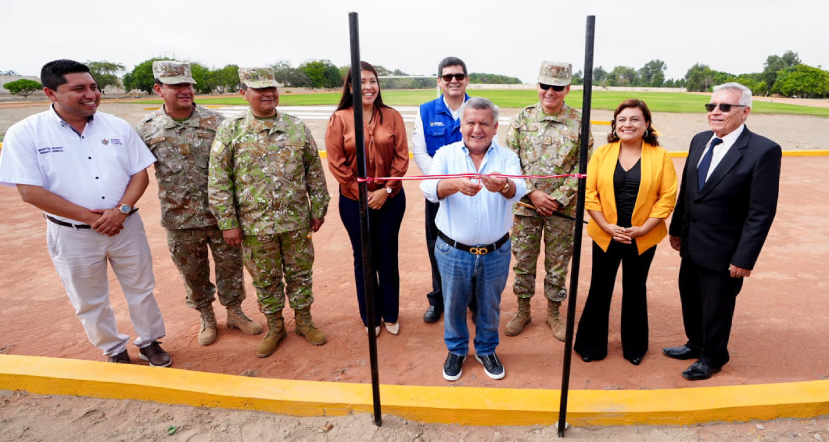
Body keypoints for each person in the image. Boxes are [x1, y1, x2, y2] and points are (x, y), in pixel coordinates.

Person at [0, 59, 171, 366]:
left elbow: (140, 174)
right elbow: (30, 192)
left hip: (126, 227)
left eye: (93, 87)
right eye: (78, 88)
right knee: (89, 299)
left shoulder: (117, 126)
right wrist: (93, 218)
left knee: (142, 288)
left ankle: (150, 341)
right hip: (72, 234)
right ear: (50, 93)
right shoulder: (26, 133)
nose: (90, 94)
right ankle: (114, 349)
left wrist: (120, 211)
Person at [136, 61, 262, 347]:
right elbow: (135, 172)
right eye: (177, 85)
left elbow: (237, 168)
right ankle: (206, 315)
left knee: (231, 267)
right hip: (179, 219)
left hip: (222, 217)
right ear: (158, 89)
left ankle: (234, 312)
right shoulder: (146, 129)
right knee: (192, 273)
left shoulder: (217, 123)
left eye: (188, 85)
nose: (186, 90)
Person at [208, 67, 330, 358]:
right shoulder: (231, 129)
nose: (268, 94)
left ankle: (303, 320)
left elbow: (314, 171)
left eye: (272, 88)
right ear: (243, 93)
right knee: (265, 278)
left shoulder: (296, 126)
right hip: (254, 225)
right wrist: (228, 223)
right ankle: (276, 325)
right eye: (260, 89)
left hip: (296, 221)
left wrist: (319, 208)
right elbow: (218, 179)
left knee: (301, 273)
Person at [663, 82, 781, 380]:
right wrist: (676, 229)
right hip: (691, 241)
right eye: (711, 106)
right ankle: (695, 343)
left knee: (717, 307)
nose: (715, 112)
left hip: (726, 248)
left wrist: (744, 258)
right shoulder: (700, 140)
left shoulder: (763, 151)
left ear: (745, 112)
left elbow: (761, 212)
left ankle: (713, 357)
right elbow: (688, 191)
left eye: (724, 107)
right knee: (690, 297)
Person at [421, 97, 527, 382]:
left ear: (495, 127)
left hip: (496, 251)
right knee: (454, 303)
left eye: (484, 123)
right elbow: (429, 188)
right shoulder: (445, 154)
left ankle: (486, 349)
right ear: (461, 125)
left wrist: (503, 185)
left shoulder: (507, 157)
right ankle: (456, 351)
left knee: (490, 304)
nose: (476, 129)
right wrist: (454, 184)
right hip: (453, 251)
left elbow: (519, 189)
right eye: (470, 122)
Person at [573, 99, 677, 365]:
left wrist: (643, 228)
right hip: (607, 233)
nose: (627, 124)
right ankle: (591, 345)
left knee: (635, 287)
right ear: (615, 124)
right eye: (622, 119)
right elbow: (590, 192)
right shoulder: (602, 153)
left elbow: (667, 197)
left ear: (646, 124)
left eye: (634, 119)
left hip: (643, 235)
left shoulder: (660, 156)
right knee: (600, 286)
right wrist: (606, 226)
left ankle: (635, 347)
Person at [504, 61, 593, 341]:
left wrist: (556, 199)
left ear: (567, 88)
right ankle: (523, 310)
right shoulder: (521, 119)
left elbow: (584, 167)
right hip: (526, 207)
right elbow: (510, 161)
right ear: (538, 86)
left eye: (557, 87)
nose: (550, 92)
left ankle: (554, 312)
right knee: (523, 262)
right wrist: (532, 193)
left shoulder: (580, 122)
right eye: (545, 86)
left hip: (562, 210)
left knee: (558, 263)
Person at [326, 61, 409, 336]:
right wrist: (363, 195)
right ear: (350, 86)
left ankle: (391, 313)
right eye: (361, 81)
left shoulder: (392, 116)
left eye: (372, 81)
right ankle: (370, 317)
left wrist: (385, 190)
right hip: (353, 202)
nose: (368, 87)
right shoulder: (339, 119)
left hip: (390, 198)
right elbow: (337, 164)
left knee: (388, 255)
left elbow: (400, 157)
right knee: (364, 258)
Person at [412, 56, 476, 324]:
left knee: (473, 244)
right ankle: (438, 299)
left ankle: (474, 302)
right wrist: (444, 183)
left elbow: (486, 149)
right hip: (438, 193)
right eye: (448, 76)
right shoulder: (425, 110)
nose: (453, 81)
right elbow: (419, 151)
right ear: (439, 81)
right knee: (437, 246)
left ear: (466, 80)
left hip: (472, 193)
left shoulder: (478, 108)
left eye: (458, 76)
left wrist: (465, 184)